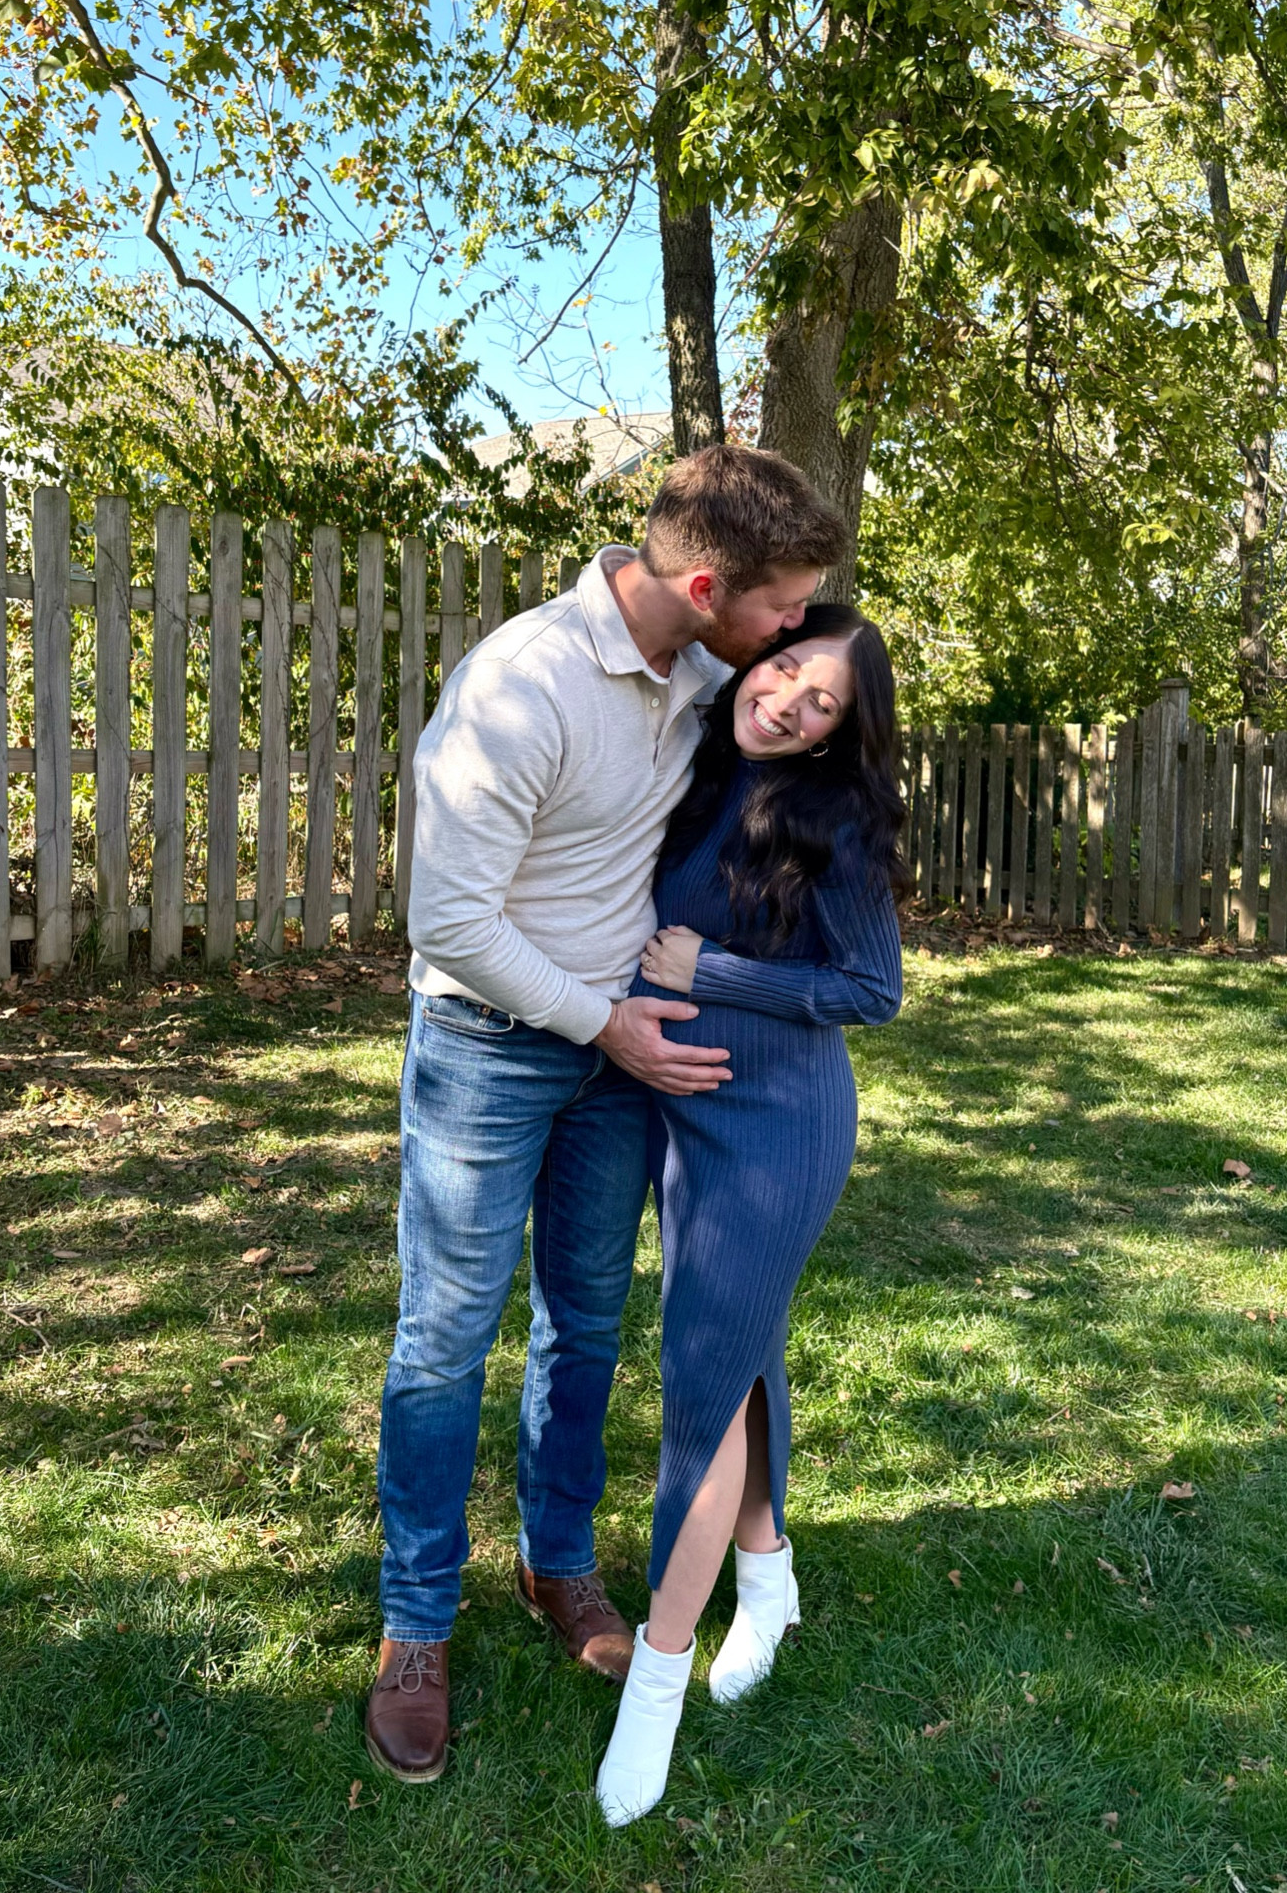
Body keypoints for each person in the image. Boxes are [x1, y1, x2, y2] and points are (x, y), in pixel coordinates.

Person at [366, 445, 848, 1785]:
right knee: (446, 1337)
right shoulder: (520, 690)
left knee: (587, 1322)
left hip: (615, 1061)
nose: (792, 630)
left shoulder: (707, 682)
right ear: (702, 585)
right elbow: (448, 922)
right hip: (488, 1045)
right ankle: (414, 1628)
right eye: (778, 608)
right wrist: (604, 1021)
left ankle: (556, 1566)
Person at [593, 605, 906, 1826]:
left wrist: (705, 973)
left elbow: (871, 988)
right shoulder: (706, 766)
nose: (790, 700)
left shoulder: (834, 816)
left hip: (778, 1128)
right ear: (753, 659)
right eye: (786, 669)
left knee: (700, 1384)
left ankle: (656, 1681)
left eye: (823, 701)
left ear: (844, 731)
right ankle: (764, 1575)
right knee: (739, 1349)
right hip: (689, 1115)